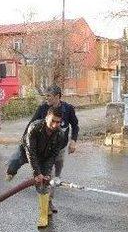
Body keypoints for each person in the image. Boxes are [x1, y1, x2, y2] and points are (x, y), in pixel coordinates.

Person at [6, 85, 79, 213]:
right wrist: (24, 141)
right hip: (42, 147)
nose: (46, 99)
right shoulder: (43, 108)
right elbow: (31, 124)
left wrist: (73, 141)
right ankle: (12, 172)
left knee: (54, 177)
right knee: (41, 172)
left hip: (59, 148)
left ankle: (49, 202)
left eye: (49, 96)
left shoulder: (68, 109)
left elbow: (75, 125)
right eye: (46, 96)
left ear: (57, 96)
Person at [23, 106, 68, 229]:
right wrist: (37, 173)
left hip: (47, 156)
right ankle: (43, 215)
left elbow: (53, 155)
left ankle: (45, 212)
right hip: (31, 153)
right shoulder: (34, 128)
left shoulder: (60, 134)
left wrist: (47, 172)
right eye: (52, 121)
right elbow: (30, 152)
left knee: (45, 182)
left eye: (58, 122)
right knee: (38, 180)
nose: (55, 124)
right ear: (46, 117)